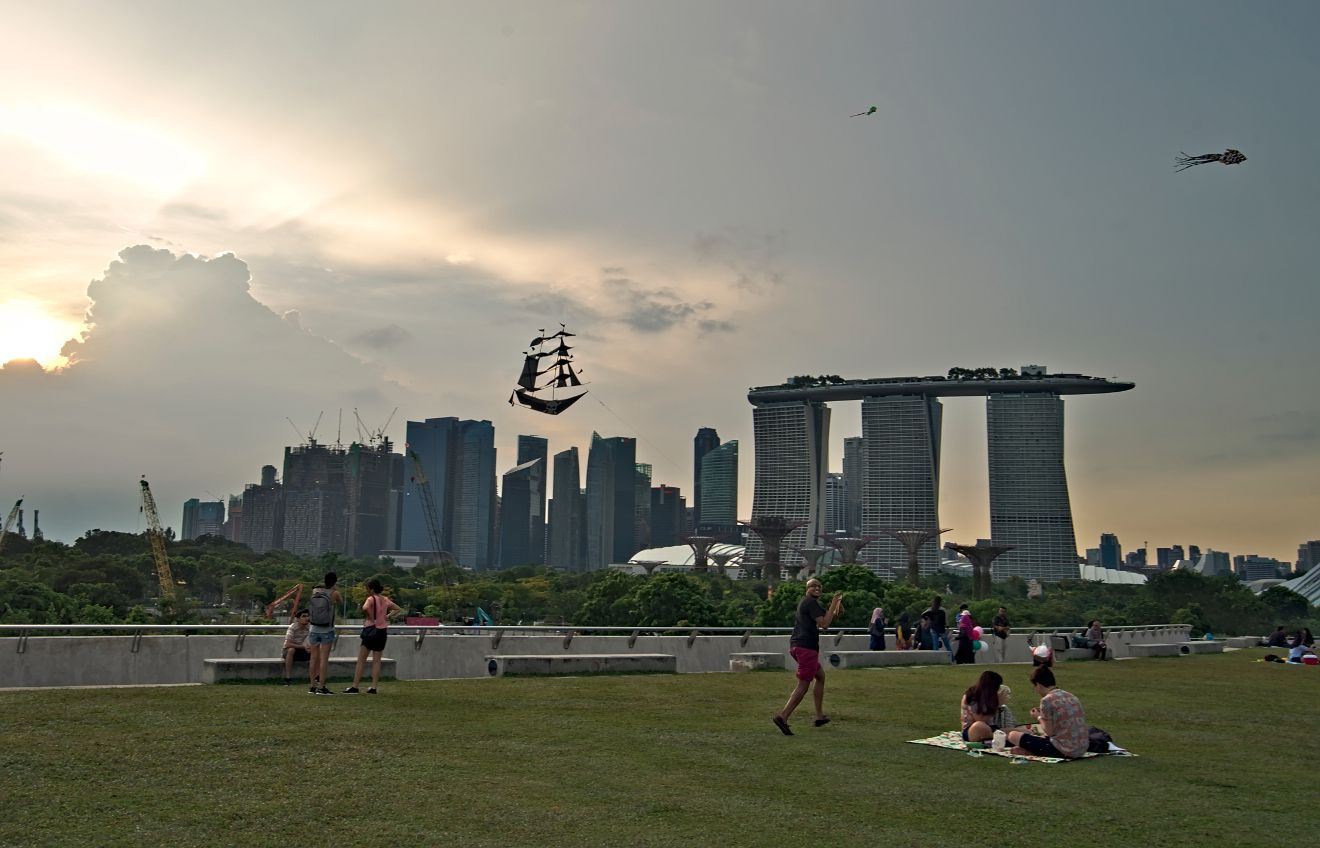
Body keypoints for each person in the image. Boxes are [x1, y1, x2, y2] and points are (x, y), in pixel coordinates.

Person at [772, 578, 843, 735]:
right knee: (803, 684)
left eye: (819, 586)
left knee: (820, 676)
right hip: (806, 648)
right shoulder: (810, 602)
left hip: (800, 646)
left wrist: (836, 605)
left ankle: (819, 716)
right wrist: (833, 603)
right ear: (807, 588)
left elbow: (827, 619)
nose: (817, 588)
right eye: (813, 586)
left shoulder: (809, 603)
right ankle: (782, 717)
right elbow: (824, 624)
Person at [1007, 665, 1088, 759]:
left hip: (1063, 749)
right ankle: (1030, 751)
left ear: (1038, 685)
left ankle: (1032, 751)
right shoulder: (1071, 696)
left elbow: (1049, 732)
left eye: (1034, 687)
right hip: (1081, 748)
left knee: (1013, 735)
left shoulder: (1046, 700)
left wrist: (1038, 717)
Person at [344, 579, 402, 694]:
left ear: (371, 589)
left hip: (370, 630)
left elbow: (365, 607)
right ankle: (374, 687)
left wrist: (371, 617)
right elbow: (397, 608)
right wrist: (387, 616)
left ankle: (355, 686)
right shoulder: (385, 599)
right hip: (381, 632)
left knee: (361, 660)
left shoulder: (370, 599)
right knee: (377, 661)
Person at [306, 572, 342, 695]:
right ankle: (322, 686)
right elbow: (340, 602)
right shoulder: (334, 593)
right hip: (327, 629)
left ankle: (312, 686)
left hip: (313, 628)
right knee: (324, 659)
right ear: (335, 582)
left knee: (313, 658)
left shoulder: (316, 592)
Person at [960, 670, 1006, 744]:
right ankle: (1001, 739)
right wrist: (997, 704)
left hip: (989, 727)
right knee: (979, 726)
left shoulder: (990, 696)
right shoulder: (972, 695)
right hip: (972, 730)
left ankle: (1000, 738)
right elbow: (980, 720)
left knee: (1012, 730)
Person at [281, 608, 311, 685]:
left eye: (307, 616)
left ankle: (315, 677)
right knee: (291, 650)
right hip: (289, 651)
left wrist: (310, 647)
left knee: (317, 651)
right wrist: (303, 647)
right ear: (298, 619)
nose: (306, 618)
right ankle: (288, 678)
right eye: (303, 616)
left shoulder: (309, 627)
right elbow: (288, 644)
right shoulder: (293, 627)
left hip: (303, 650)